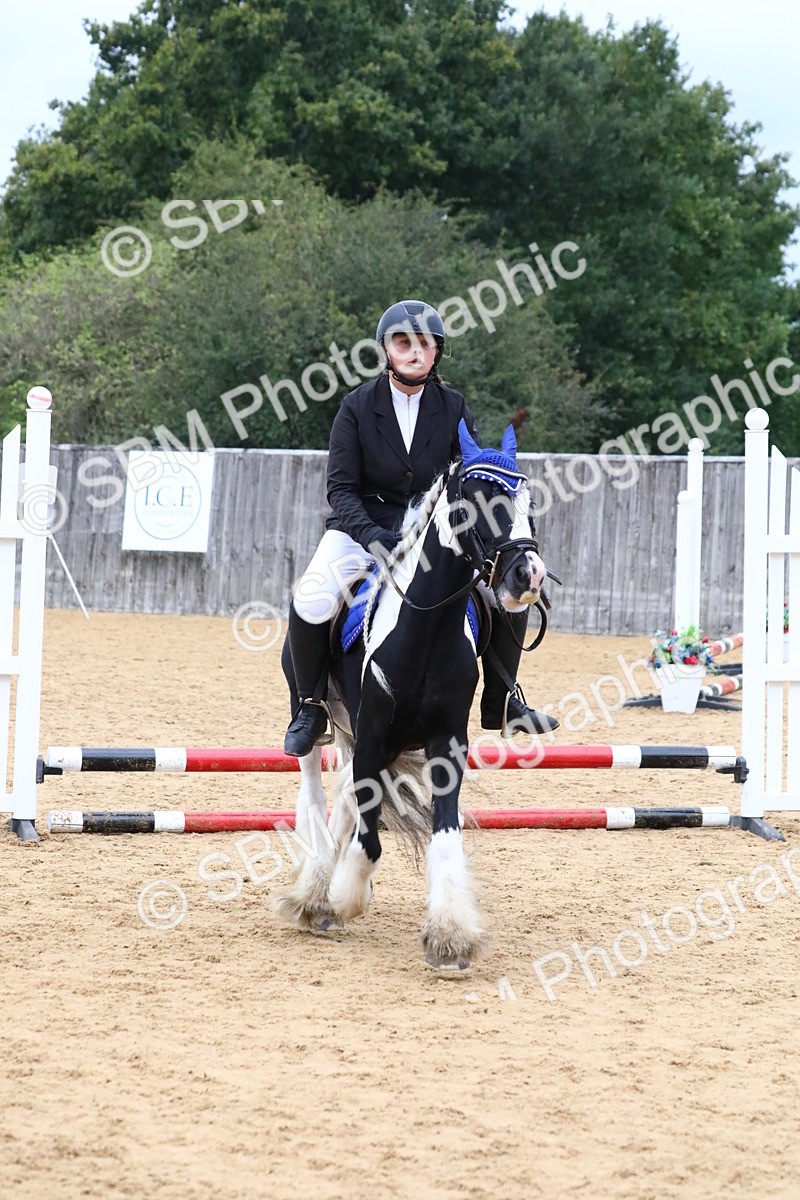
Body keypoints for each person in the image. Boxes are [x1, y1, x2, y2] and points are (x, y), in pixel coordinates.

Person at [283, 299, 559, 756]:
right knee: (311, 597)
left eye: (424, 344)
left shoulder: (452, 407)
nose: (414, 352)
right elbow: (341, 490)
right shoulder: (356, 407)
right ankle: (310, 706)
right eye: (403, 342)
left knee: (506, 587)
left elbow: (470, 474)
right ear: (387, 349)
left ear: (437, 353)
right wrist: (372, 536)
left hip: (433, 535)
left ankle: (503, 700)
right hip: (362, 530)